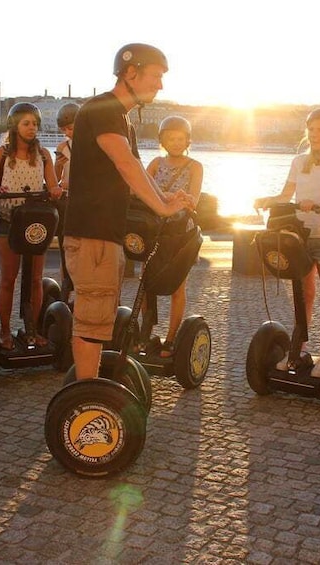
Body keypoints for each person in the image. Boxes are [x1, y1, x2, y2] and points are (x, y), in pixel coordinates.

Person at [63, 42, 192, 380]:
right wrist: (162, 206)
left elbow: (133, 172)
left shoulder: (122, 120)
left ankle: (88, 392)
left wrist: (167, 198)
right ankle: (85, 403)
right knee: (91, 324)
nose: (160, 84)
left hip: (106, 235)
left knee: (99, 319)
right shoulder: (102, 109)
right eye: (156, 75)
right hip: (92, 236)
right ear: (130, 72)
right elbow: (125, 163)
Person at [252, 108, 320, 378]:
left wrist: (318, 207)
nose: (314, 134)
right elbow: (286, 194)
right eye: (311, 129)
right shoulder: (299, 161)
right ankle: (298, 351)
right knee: (304, 295)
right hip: (300, 236)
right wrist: (267, 200)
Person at [0, 102, 61, 350]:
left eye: (35, 124)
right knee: (9, 278)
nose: (32, 128)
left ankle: (34, 330)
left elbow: (52, 186)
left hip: (35, 223)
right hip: (8, 221)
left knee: (36, 279)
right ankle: (5, 331)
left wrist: (56, 190)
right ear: (15, 125)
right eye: (26, 123)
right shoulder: (1, 154)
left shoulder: (44, 155)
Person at [144, 115, 204, 356]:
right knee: (146, 283)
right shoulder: (156, 163)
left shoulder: (195, 166)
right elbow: (142, 189)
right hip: (154, 229)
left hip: (181, 233)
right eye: (171, 138)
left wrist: (178, 199)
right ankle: (145, 333)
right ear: (162, 140)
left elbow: (194, 200)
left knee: (177, 285)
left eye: (180, 139)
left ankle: (170, 338)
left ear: (187, 140)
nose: (176, 143)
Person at [53, 102, 80, 302]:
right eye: (64, 130)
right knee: (66, 248)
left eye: (70, 128)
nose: (68, 133)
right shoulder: (63, 147)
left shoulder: (95, 144)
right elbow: (55, 180)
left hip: (85, 201)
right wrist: (57, 165)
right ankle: (66, 285)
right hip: (67, 200)